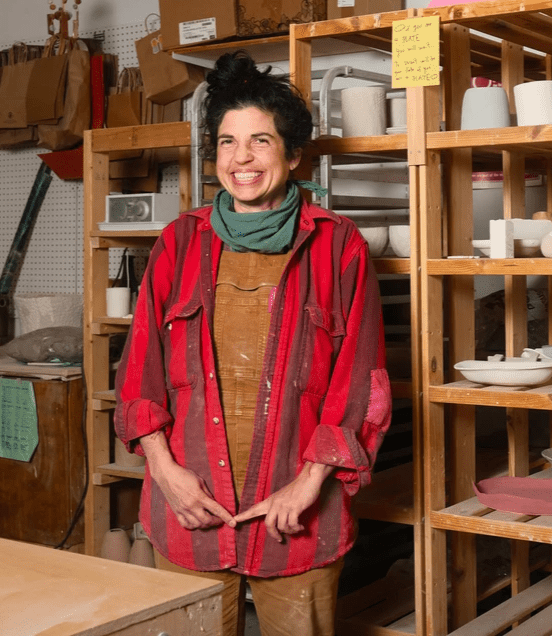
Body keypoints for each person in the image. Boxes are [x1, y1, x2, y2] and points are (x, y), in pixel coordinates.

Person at [115, 51, 391, 636]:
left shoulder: (338, 247)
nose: (241, 158)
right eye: (226, 142)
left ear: (293, 155)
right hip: (192, 504)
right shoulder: (179, 243)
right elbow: (140, 373)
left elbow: (359, 381)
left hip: (296, 514)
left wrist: (309, 482)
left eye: (260, 142)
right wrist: (166, 474)